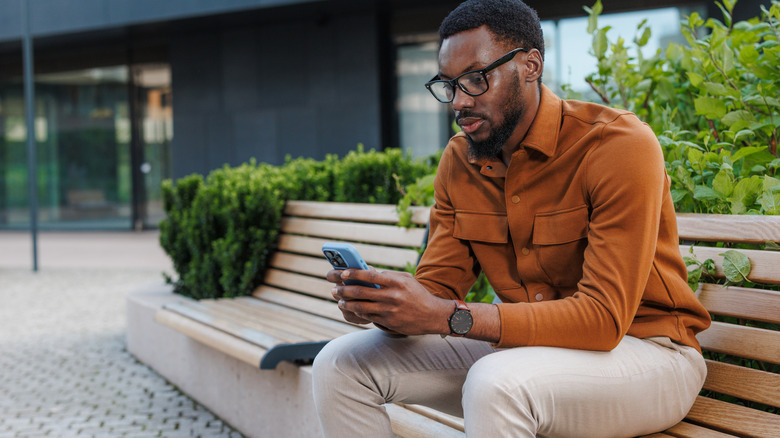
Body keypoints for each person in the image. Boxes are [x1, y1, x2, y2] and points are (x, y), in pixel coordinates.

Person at [312, 0, 711, 436]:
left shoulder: (616, 144)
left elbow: (603, 319)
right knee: (339, 364)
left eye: (476, 79)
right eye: (449, 85)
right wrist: (385, 306)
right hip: (527, 353)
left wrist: (452, 317)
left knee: (496, 383)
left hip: (648, 353)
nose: (459, 102)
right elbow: (439, 288)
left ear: (530, 65)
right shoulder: (459, 161)